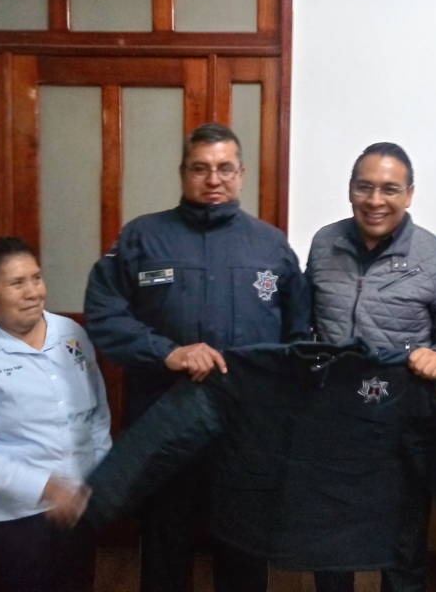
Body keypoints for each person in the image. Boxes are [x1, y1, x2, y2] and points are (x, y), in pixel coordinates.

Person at [84, 122, 310, 592]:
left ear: (241, 174)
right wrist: (168, 353)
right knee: (165, 546)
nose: (213, 179)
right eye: (200, 168)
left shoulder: (271, 245)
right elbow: (105, 317)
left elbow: (297, 336)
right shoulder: (142, 238)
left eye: (225, 168)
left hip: (246, 431)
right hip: (165, 422)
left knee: (244, 552)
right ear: (183, 172)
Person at [306, 141, 436, 591]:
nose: (375, 200)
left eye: (390, 189)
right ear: (350, 190)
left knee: (403, 547)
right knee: (329, 542)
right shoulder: (323, 243)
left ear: (410, 194)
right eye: (365, 187)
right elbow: (304, 323)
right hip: (334, 420)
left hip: (401, 423)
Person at [0, 237, 111, 592]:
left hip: (80, 504)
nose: (33, 292)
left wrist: (100, 474)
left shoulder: (71, 333)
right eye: (16, 283)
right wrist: (48, 488)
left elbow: (97, 414)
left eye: (36, 278)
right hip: (14, 518)